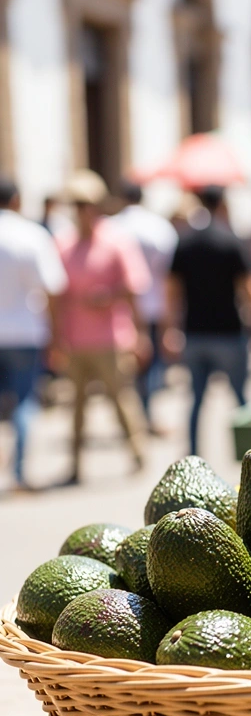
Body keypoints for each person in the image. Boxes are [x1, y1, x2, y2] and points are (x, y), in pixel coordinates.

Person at [55, 170, 150, 484]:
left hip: (111, 337)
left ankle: (137, 452)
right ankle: (75, 463)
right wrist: (56, 338)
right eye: (77, 205)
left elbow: (134, 288)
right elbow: (55, 296)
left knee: (121, 399)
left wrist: (139, 333)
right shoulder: (64, 244)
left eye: (86, 204)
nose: (82, 211)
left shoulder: (115, 241)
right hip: (76, 338)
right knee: (76, 407)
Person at [166, 185, 251, 456]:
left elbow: (171, 293)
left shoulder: (184, 242)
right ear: (223, 204)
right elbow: (249, 291)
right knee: (242, 400)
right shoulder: (232, 241)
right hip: (229, 332)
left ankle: (195, 457)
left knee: (196, 400)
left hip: (195, 332)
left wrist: (169, 330)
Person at [0, 177, 67, 489]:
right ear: (16, 199)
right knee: (25, 403)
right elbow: (53, 289)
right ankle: (18, 473)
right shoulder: (32, 235)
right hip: (26, 332)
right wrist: (55, 334)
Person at [112, 180, 178, 426]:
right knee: (151, 367)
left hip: (120, 310)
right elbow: (170, 273)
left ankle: (136, 417)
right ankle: (145, 415)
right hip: (154, 305)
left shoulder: (113, 226)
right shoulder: (159, 227)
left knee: (128, 369)